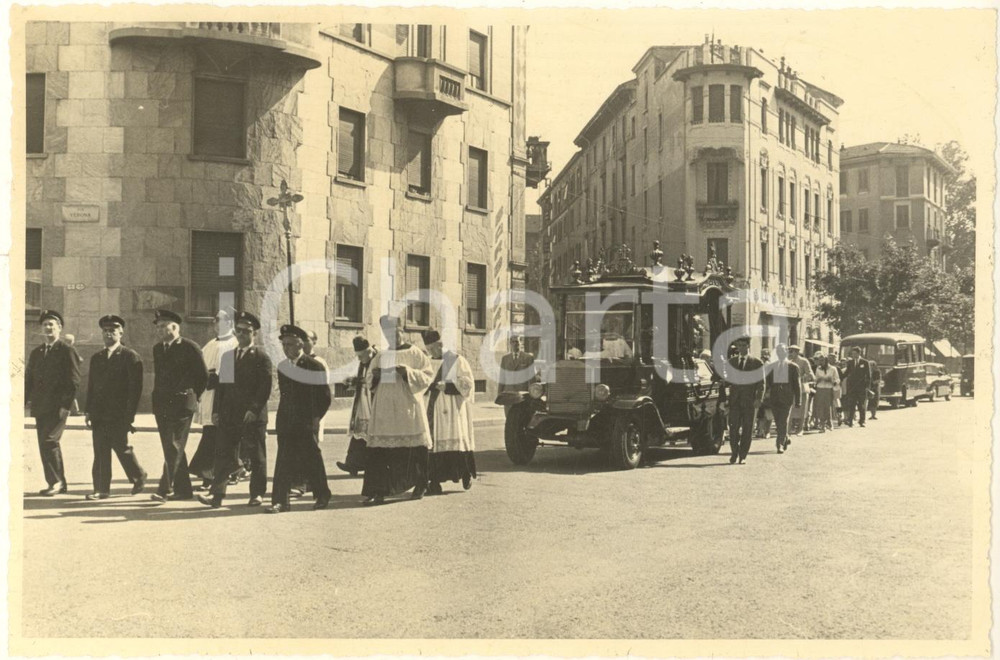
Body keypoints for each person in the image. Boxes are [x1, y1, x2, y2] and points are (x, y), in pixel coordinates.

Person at [199, 312, 273, 508]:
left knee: (256, 456)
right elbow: (222, 388)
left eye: (245, 331)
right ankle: (216, 496)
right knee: (222, 454)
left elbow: (264, 389)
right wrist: (216, 411)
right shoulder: (228, 357)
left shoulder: (261, 357)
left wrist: (254, 410)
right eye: (238, 330)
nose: (241, 334)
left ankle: (257, 494)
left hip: (251, 416)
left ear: (254, 333)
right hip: (229, 414)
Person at [361, 315, 435, 505]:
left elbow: (428, 376)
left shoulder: (415, 353)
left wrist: (408, 372)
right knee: (381, 450)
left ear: (402, 331)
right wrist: (375, 376)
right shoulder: (381, 355)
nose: (392, 336)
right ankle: (379, 490)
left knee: (413, 448)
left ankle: (420, 484)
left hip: (407, 407)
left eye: (396, 332)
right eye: (387, 333)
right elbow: (368, 378)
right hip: (385, 409)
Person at [267, 324, 332, 513]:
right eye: (284, 345)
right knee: (283, 462)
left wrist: (316, 417)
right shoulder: (282, 367)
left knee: (312, 459)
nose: (286, 349)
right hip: (287, 421)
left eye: (290, 344)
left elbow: (325, 397)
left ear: (300, 345)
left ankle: (322, 495)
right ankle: (280, 501)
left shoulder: (314, 366)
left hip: (306, 422)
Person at [83, 315, 147, 499]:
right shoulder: (97, 357)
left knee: (121, 447)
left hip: (119, 413)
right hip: (99, 413)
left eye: (113, 330)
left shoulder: (129, 356)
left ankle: (139, 475)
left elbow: (135, 389)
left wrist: (129, 416)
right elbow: (92, 386)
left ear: (121, 333)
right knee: (100, 451)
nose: (108, 333)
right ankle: (101, 489)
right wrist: (88, 410)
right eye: (105, 330)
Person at [150, 309, 208, 503]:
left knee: (174, 445)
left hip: (182, 403)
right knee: (172, 447)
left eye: (162, 326)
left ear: (174, 327)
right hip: (162, 404)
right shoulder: (158, 349)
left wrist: (194, 396)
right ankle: (183, 490)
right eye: (157, 326)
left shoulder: (190, 347)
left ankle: (164, 489)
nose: (158, 330)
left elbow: (203, 376)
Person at [25, 310, 81, 495]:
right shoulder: (37, 352)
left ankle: (57, 482)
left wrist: (65, 406)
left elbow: (73, 381)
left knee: (50, 441)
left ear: (60, 328)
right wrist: (23, 403)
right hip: (41, 406)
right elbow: (29, 379)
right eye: (45, 325)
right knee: (44, 443)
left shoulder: (67, 351)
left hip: (58, 407)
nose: (48, 328)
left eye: (52, 324)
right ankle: (56, 482)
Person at [188, 308, 239, 491]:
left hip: (222, 395)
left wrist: (215, 379)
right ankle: (233, 468)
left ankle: (209, 474)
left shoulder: (234, 344)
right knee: (212, 433)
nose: (217, 324)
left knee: (215, 436)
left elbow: (231, 373)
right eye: (215, 320)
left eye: (221, 320)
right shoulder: (210, 344)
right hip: (208, 394)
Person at [422, 329, 477, 495]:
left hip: (453, 409)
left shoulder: (456, 361)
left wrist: (447, 386)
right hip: (432, 409)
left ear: (440, 345)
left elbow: (468, 383)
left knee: (456, 442)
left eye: (432, 348)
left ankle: (465, 473)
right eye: (428, 349)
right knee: (434, 446)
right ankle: (434, 482)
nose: (430, 352)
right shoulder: (428, 362)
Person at [336, 336, 376, 476]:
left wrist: (359, 381)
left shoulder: (378, 361)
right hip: (363, 403)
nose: (359, 359)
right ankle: (352, 464)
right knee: (359, 435)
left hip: (375, 405)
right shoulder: (364, 363)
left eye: (361, 356)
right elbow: (362, 380)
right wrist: (352, 382)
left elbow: (377, 380)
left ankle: (361, 465)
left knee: (371, 437)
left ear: (369, 351)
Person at [722, 337, 766, 465]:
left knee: (747, 429)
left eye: (743, 345)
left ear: (748, 346)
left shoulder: (757, 363)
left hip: (749, 401)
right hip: (735, 401)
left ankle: (743, 455)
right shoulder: (731, 362)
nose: (741, 348)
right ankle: (734, 453)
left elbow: (761, 383)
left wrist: (759, 398)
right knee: (733, 428)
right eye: (739, 346)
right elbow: (727, 381)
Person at [765, 344, 801, 454]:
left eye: (783, 351)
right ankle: (785, 437)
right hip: (775, 398)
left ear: (786, 352)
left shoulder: (793, 367)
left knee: (783, 421)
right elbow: (768, 383)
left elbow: (797, 385)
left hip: (787, 398)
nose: (781, 353)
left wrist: (798, 400)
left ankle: (779, 444)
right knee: (778, 421)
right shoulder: (772, 366)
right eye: (779, 351)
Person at [497, 335, 535, 415]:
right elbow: (502, 378)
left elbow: (531, 379)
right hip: (508, 394)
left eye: (517, 341)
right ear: (510, 344)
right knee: (508, 418)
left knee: (522, 418)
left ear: (521, 343)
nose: (515, 344)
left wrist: (532, 395)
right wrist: (499, 394)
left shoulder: (528, 358)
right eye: (513, 342)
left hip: (522, 395)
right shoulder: (505, 359)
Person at [787, 345, 814, 435]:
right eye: (789, 351)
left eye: (792, 351)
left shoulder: (804, 361)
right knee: (790, 409)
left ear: (797, 352)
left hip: (802, 388)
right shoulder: (787, 361)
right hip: (790, 389)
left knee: (802, 409)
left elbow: (810, 374)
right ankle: (788, 429)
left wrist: (800, 379)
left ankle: (800, 429)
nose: (790, 353)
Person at [842, 346, 872, 428]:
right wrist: (840, 377)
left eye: (855, 353)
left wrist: (867, 386)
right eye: (852, 353)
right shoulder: (850, 362)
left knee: (861, 405)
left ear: (859, 353)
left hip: (862, 387)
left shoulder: (865, 362)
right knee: (851, 404)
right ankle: (850, 421)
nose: (853, 355)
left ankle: (862, 421)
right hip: (852, 387)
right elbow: (847, 373)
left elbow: (868, 375)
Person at [811, 353, 840, 432]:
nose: (821, 362)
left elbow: (837, 379)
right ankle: (822, 425)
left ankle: (830, 423)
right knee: (820, 407)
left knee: (828, 407)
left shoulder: (833, 369)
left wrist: (832, 381)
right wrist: (817, 381)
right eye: (820, 360)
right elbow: (815, 379)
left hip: (828, 389)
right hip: (820, 389)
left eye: (822, 360)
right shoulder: (818, 369)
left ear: (826, 360)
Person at [62, 333, 84, 415]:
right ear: (72, 341)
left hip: (63, 376)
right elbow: (78, 360)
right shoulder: (71, 348)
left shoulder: (61, 349)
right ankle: (74, 411)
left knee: (69, 393)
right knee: (71, 392)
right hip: (71, 375)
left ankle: (74, 410)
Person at [755, 348, 773, 439]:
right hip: (760, 391)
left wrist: (769, 391)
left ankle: (767, 431)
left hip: (768, 391)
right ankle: (760, 430)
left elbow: (771, 380)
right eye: (762, 354)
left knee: (768, 412)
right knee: (761, 412)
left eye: (766, 354)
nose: (764, 356)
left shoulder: (770, 366)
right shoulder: (758, 365)